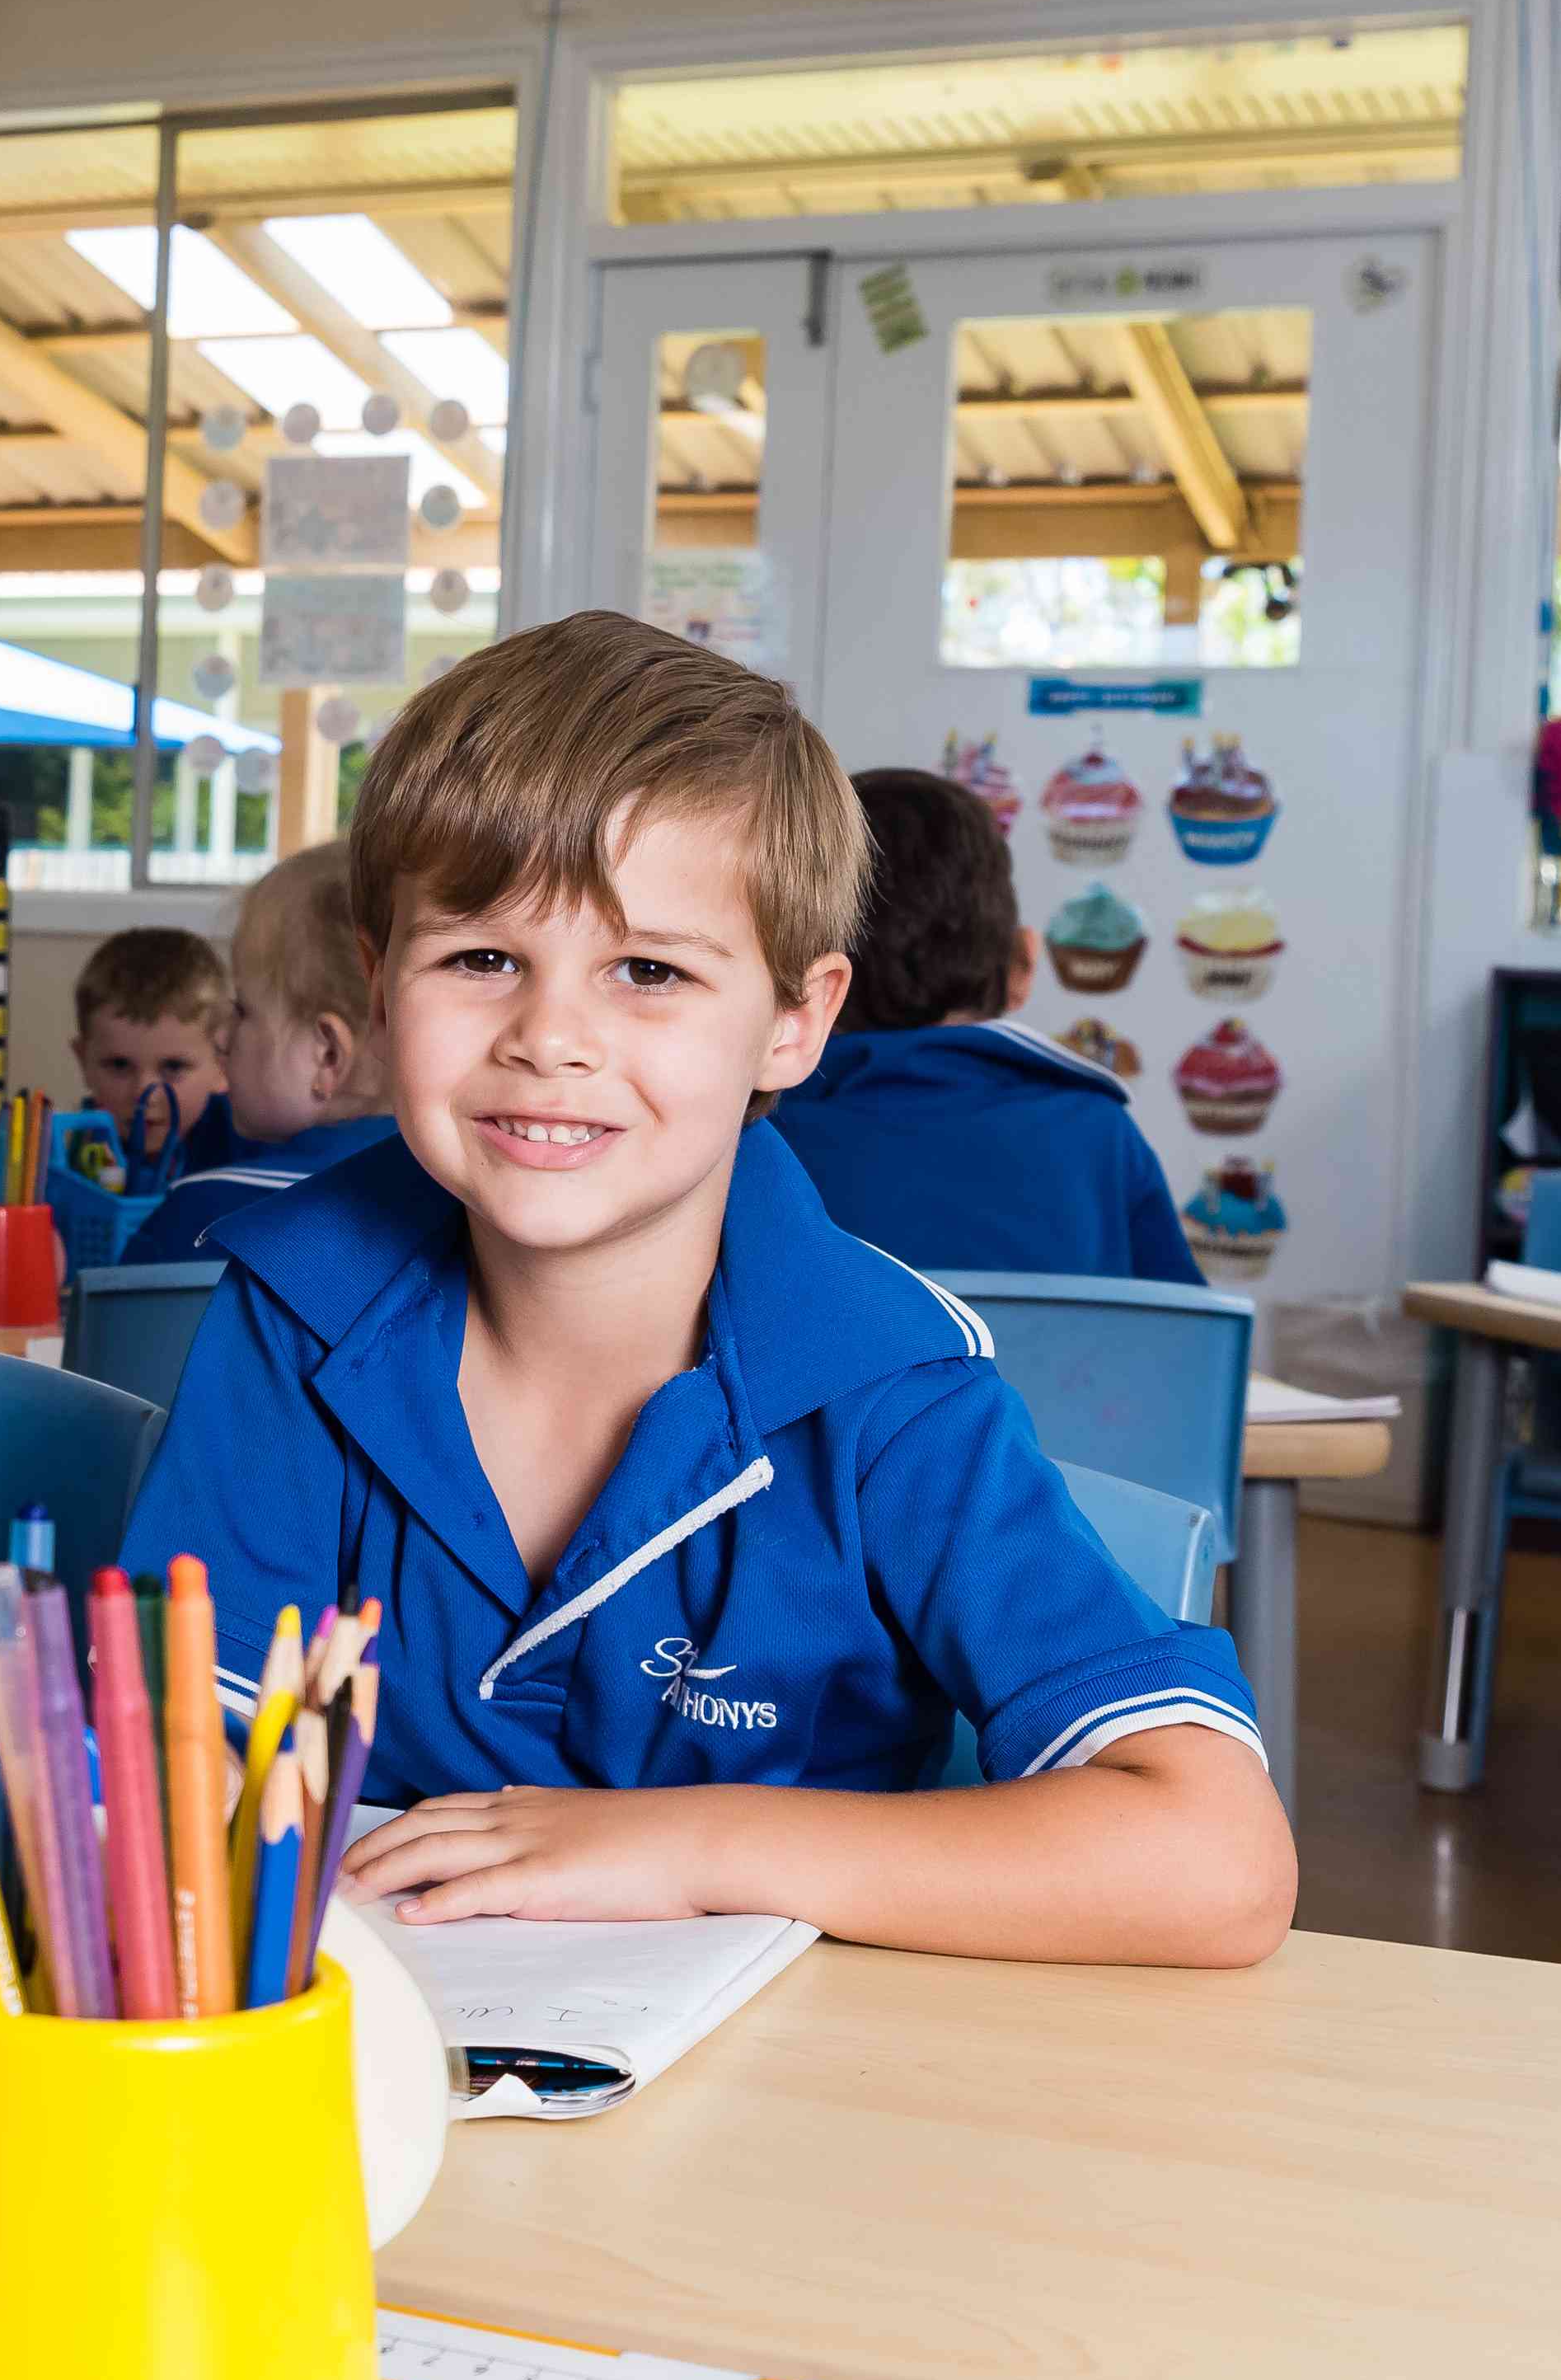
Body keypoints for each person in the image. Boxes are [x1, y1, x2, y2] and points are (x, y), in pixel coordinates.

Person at [121, 611, 1291, 1968]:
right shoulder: (296, 1303)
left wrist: (679, 1843)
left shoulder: (884, 1384)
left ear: (794, 1022)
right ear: (380, 991)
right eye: (482, 957)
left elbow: (1222, 1861)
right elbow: (162, 1758)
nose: (550, 1035)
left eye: (651, 970)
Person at [767, 769, 1203, 1285]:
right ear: (1024, 964)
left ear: (804, 984)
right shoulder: (1100, 1136)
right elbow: (1186, 1346)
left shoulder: (756, 1136)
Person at [117, 845, 400, 1266]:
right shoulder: (462, 1212)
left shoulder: (203, 1219)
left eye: (244, 1011)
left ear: (327, 1056)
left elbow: (108, 1332)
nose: (220, 1037)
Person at [68, 924, 232, 1178]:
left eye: (173, 1067)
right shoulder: (71, 1148)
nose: (144, 1093)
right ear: (83, 1062)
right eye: (120, 1065)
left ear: (223, 1066)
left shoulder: (248, 1150)